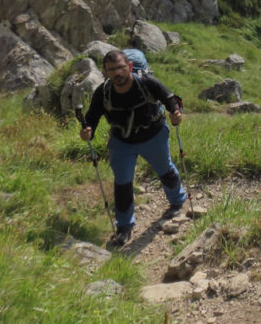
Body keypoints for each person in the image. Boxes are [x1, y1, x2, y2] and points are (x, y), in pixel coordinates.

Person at [79, 49, 187, 246]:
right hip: (122, 141)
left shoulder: (147, 83)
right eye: (112, 70)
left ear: (129, 67)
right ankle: (124, 226)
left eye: (120, 68)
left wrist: (176, 113)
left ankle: (177, 201)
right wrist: (88, 131)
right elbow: (91, 119)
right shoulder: (102, 93)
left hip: (153, 134)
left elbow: (171, 99)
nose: (117, 73)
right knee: (122, 182)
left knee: (164, 169)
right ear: (105, 72)